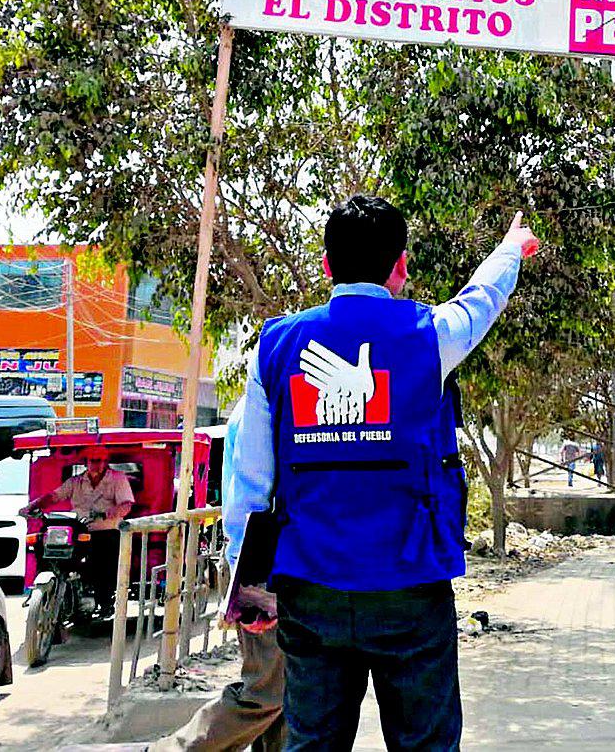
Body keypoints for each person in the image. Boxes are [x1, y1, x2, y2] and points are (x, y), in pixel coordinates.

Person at [226, 195, 539, 750]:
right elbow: (481, 299)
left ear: (326, 265)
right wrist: (510, 249)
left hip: (309, 588)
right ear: (398, 266)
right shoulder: (430, 336)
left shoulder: (273, 346)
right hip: (411, 589)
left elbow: (251, 479)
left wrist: (245, 585)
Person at [150, 393, 284, 752]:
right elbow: (253, 501)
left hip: (259, 561)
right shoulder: (263, 408)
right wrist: (250, 583)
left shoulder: (258, 406)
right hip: (258, 564)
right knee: (265, 693)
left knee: (286, 697)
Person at [21, 443, 134, 614]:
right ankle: (43, 587)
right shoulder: (75, 482)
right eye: (94, 461)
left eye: (103, 461)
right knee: (43, 545)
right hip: (78, 530)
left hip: (105, 532)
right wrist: (32, 506)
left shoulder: (117, 479)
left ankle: (105, 600)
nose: (99, 465)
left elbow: (126, 504)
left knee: (103, 562)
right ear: (86, 462)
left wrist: (113, 512)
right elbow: (54, 496)